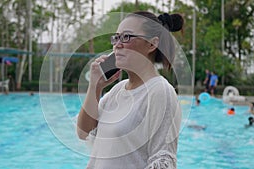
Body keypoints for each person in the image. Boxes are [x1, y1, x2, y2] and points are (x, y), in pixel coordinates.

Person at [77, 11, 183, 169]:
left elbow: (163, 160)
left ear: (152, 44)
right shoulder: (117, 90)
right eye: (116, 37)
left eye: (126, 37)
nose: (117, 45)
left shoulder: (160, 92)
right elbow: (83, 132)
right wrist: (95, 86)